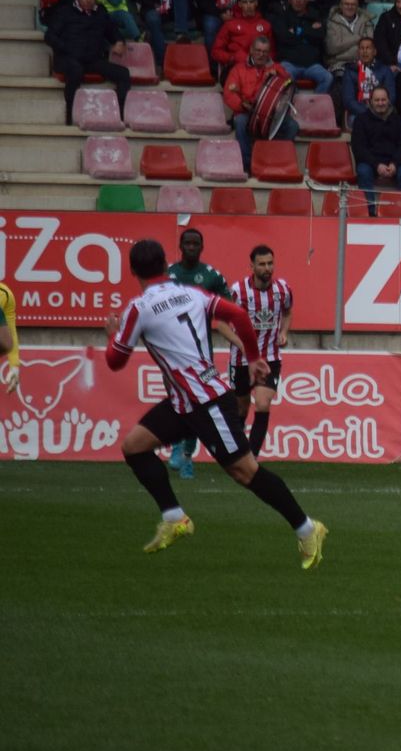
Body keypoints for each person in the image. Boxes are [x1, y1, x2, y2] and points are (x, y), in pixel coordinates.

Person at [104, 239, 327, 567]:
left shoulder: (139, 307)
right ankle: (175, 517)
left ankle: (308, 528)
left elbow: (115, 361)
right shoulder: (192, 294)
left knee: (246, 472)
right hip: (185, 401)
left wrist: (113, 334)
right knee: (134, 446)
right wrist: (252, 356)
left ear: (133, 270)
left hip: (206, 401)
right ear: (167, 264)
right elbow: (236, 313)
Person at [162, 228, 232, 478]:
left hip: (201, 353)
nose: (191, 247)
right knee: (177, 401)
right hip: (171, 351)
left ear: (201, 247)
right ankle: (179, 447)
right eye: (187, 243)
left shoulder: (210, 276)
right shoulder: (168, 274)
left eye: (195, 243)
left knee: (199, 403)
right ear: (180, 246)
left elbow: (227, 305)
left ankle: (186, 454)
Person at [228, 245, 292, 457]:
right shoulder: (238, 291)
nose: (267, 268)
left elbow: (288, 310)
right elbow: (221, 324)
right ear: (252, 266)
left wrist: (283, 331)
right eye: (262, 264)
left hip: (270, 358)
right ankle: (235, 452)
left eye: (270, 263)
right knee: (241, 409)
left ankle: (251, 456)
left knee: (263, 403)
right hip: (241, 361)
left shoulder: (282, 290)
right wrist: (241, 346)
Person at [48, 0, 129, 124]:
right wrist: (66, 48)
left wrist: (119, 41)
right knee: (76, 70)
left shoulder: (100, 12)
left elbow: (113, 31)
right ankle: (70, 115)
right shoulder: (65, 11)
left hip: (92, 60)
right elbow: (49, 36)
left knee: (123, 74)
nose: (88, 1)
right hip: (68, 58)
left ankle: (120, 114)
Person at [223, 36, 297, 168]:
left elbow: (288, 83)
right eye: (258, 50)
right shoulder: (238, 69)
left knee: (292, 126)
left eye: (264, 51)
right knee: (240, 122)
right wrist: (242, 105)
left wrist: (277, 76)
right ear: (251, 50)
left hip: (271, 113)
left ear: (269, 53)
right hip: (246, 111)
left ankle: (275, 160)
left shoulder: (276, 68)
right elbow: (229, 94)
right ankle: (247, 165)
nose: (261, 54)